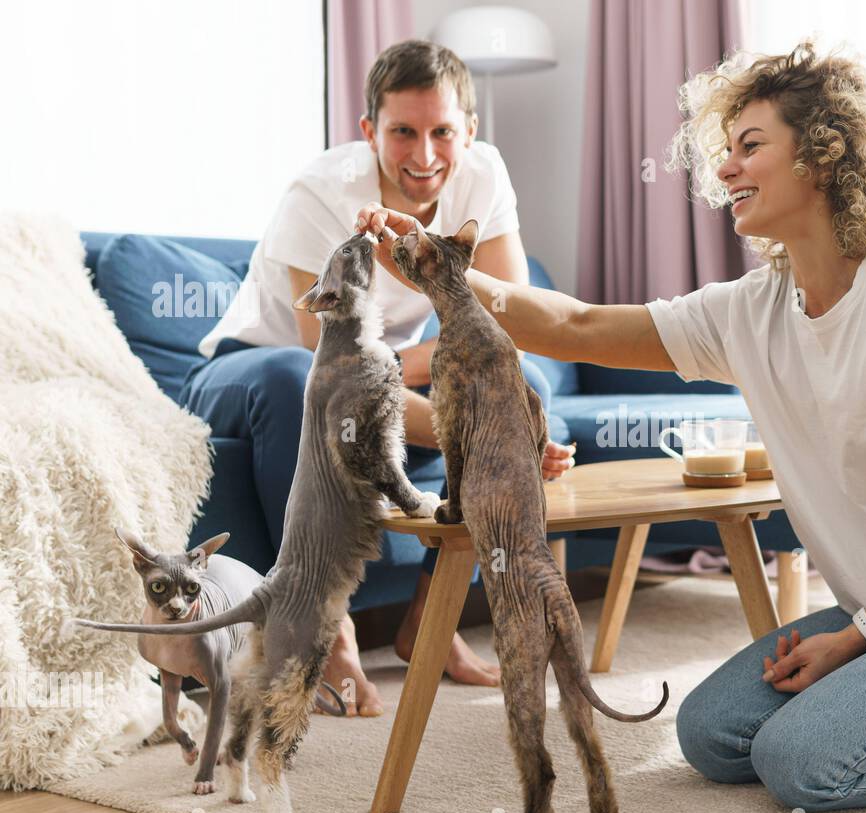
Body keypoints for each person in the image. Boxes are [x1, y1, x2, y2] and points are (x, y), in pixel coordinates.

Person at [357, 40, 866, 809]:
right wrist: (440, 271)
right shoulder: (755, 308)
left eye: (750, 147)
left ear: (819, 155)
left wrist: (857, 638)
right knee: (710, 734)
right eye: (725, 150)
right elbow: (576, 324)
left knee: (799, 763)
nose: (725, 170)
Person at [182, 40, 574, 715]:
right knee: (297, 382)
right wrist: (473, 436)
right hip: (255, 372)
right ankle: (326, 635)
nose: (424, 155)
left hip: (374, 377)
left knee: (523, 392)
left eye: (442, 132)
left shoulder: (484, 174)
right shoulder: (320, 194)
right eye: (402, 132)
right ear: (370, 132)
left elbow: (509, 318)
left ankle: (431, 618)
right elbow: (329, 365)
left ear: (469, 131)